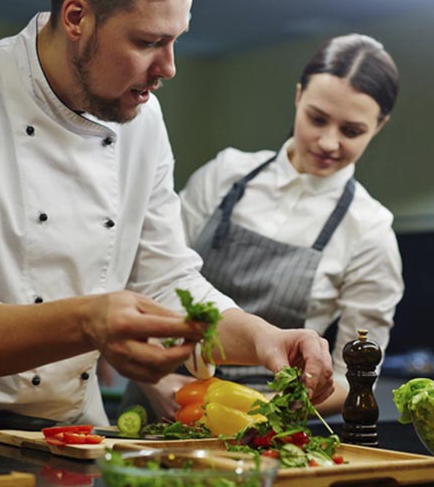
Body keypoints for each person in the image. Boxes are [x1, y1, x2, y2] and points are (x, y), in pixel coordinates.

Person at [0, 0, 334, 438]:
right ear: (76, 18)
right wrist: (89, 322)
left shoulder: (143, 119)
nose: (169, 68)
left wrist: (264, 338)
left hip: (70, 435)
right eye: (148, 41)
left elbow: (166, 280)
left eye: (176, 40)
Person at [124, 33, 403, 420]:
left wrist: (262, 410)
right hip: (158, 395)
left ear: (380, 125)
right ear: (298, 96)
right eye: (317, 118)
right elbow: (146, 278)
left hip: (261, 425)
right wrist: (154, 382)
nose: (328, 142)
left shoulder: (370, 232)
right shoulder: (224, 175)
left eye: (351, 131)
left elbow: (354, 378)